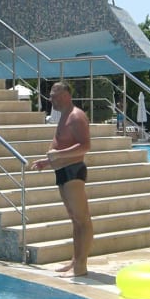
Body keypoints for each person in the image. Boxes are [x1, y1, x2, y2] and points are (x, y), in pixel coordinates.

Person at [31, 82, 93, 277]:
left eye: (54, 95)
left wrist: (57, 156)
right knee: (75, 220)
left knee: (82, 220)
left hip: (73, 172)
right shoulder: (63, 117)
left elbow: (85, 146)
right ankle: (75, 261)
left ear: (66, 94)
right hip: (63, 171)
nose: (51, 99)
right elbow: (61, 147)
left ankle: (81, 266)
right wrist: (47, 162)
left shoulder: (76, 116)